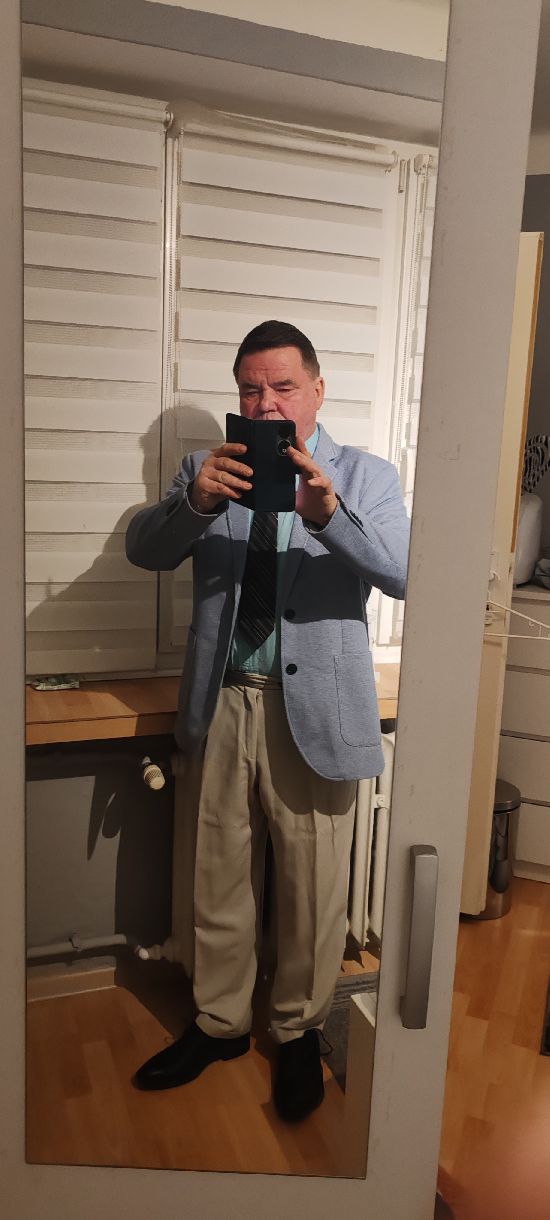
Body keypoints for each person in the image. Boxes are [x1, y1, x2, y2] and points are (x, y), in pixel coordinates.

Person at [125, 319, 409, 1122]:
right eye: (250, 389)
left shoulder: (365, 475)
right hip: (223, 701)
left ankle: (298, 1032)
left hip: (315, 711)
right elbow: (145, 549)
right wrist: (193, 504)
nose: (266, 402)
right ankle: (219, 1023)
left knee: (313, 886)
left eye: (283, 386)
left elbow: (404, 573)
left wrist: (329, 515)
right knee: (216, 874)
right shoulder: (206, 470)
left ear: (317, 389)